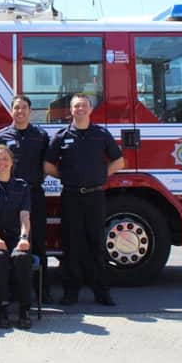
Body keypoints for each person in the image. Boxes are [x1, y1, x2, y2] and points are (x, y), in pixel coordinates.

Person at [44, 93, 124, 306]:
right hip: (71, 196)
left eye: (83, 106)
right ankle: (71, 291)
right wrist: (67, 177)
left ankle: (101, 291)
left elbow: (119, 161)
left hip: (95, 196)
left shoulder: (101, 134)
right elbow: (47, 165)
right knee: (72, 245)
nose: (79, 109)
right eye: (76, 106)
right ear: (70, 110)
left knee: (96, 244)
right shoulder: (61, 136)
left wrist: (100, 175)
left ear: (90, 109)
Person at [0, 94, 53, 303]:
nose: (20, 111)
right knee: (10, 240)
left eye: (24, 108)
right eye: (16, 108)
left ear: (30, 111)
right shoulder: (1, 136)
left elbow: (46, 165)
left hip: (34, 193)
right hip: (8, 196)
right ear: (11, 111)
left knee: (37, 242)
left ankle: (42, 291)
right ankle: (10, 290)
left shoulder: (41, 135)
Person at [0, 145, 33, 329]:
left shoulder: (22, 186)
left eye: (5, 159)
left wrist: (24, 237)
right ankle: (2, 309)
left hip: (16, 236)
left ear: (11, 162)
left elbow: (25, 215)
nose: (1, 163)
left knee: (21, 257)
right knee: (0, 257)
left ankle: (25, 309)